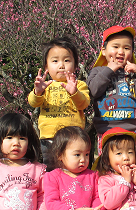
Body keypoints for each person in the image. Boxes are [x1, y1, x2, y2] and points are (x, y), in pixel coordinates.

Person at [87, 26, 136, 156]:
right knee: (108, 165)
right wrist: (108, 70)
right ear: (103, 51)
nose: (121, 52)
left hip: (132, 130)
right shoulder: (98, 71)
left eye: (126, 48)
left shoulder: (133, 73)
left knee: (134, 164)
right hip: (106, 129)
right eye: (115, 47)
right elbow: (93, 91)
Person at [28, 36, 90, 169]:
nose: (61, 65)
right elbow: (33, 102)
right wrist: (38, 92)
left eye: (67, 60)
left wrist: (74, 92)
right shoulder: (45, 86)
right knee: (52, 170)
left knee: (75, 169)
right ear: (46, 66)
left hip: (73, 137)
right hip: (49, 137)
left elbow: (84, 104)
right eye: (55, 61)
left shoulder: (79, 85)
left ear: (75, 65)